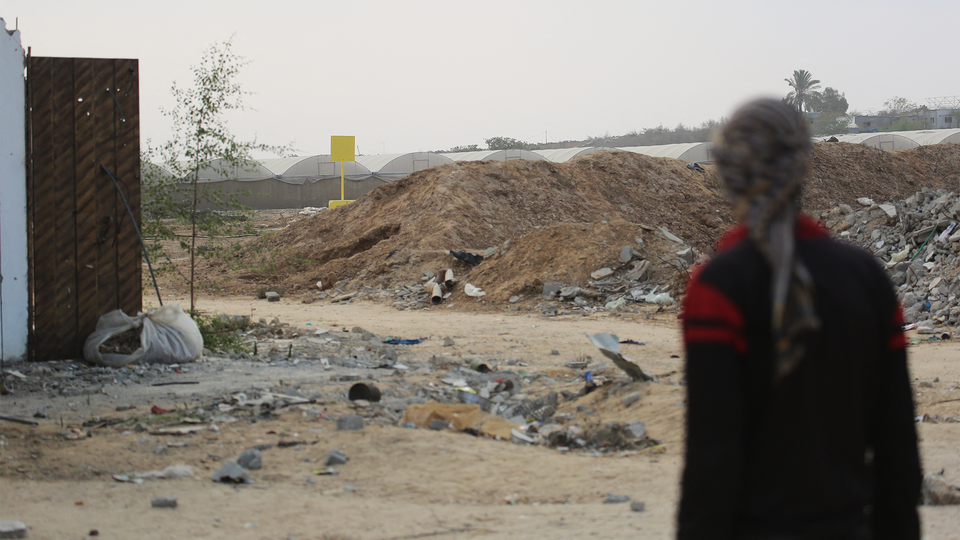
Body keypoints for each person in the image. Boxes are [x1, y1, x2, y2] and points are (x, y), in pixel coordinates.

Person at [677, 99, 921, 540]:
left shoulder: (718, 288)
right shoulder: (865, 279)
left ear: (728, 173)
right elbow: (897, 444)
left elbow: (713, 454)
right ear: (803, 168)